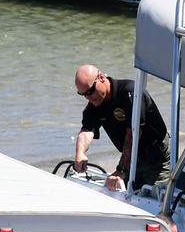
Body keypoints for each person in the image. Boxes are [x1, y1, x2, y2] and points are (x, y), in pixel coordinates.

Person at [72, 64, 171, 192]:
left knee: (156, 199)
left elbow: (134, 134)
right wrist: (80, 153)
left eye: (90, 91)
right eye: (83, 94)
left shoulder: (130, 92)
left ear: (101, 77)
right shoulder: (95, 104)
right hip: (132, 159)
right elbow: (86, 131)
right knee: (124, 194)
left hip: (156, 156)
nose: (89, 97)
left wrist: (121, 170)